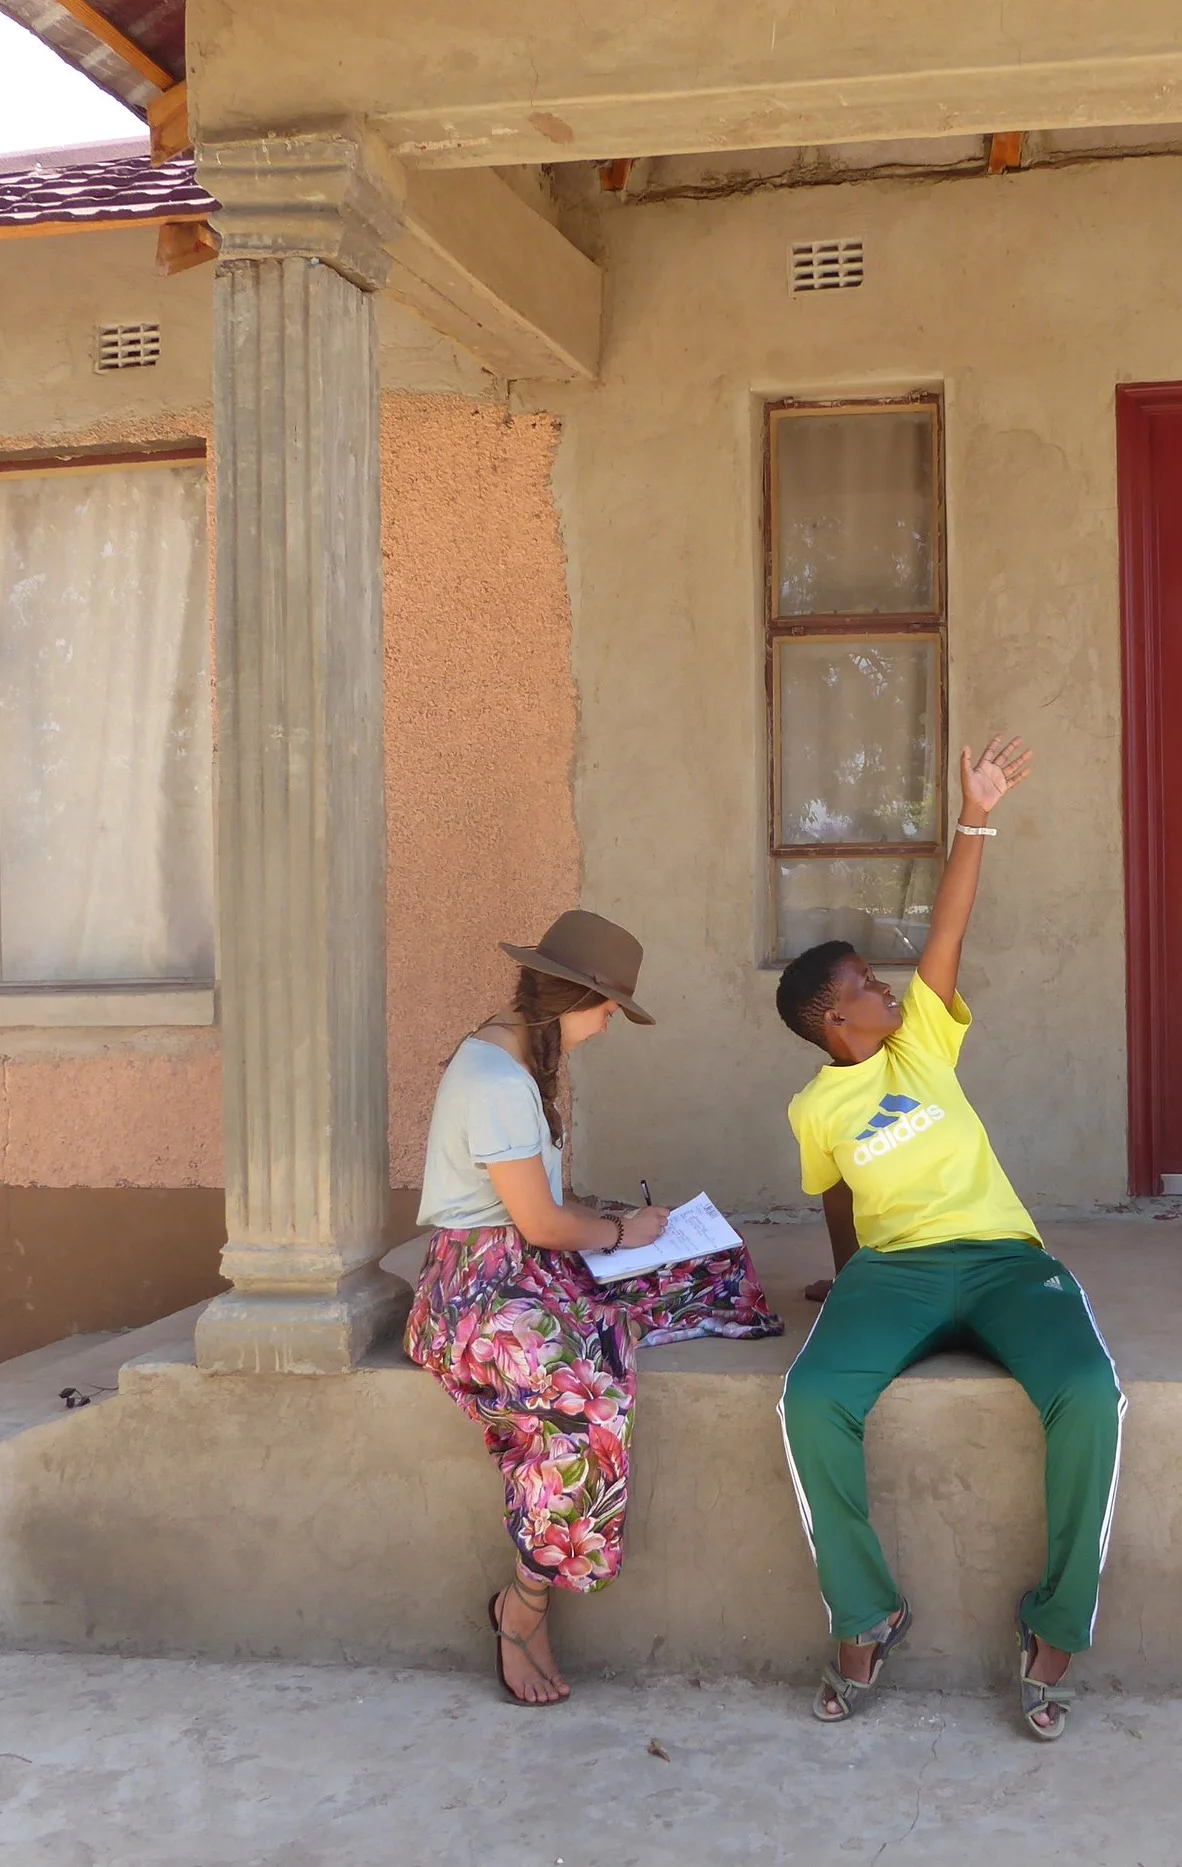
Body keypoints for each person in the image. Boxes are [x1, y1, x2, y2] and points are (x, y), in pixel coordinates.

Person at [773, 735, 1124, 1741]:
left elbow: (949, 928)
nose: (888, 988)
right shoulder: (816, 1108)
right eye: (867, 986)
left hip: (1004, 1261)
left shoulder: (921, 1043)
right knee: (812, 1399)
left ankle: (1056, 1624)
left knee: (1089, 1393)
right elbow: (835, 1199)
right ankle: (865, 1612)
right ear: (836, 1020)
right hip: (896, 1276)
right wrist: (846, 1285)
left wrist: (977, 815)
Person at [407, 909, 780, 1707]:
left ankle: (616, 1295)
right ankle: (523, 1604)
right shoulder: (497, 1081)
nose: (608, 1023)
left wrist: (626, 1229)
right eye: (607, 1007)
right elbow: (540, 1223)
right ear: (573, 997)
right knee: (588, 1396)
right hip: (481, 1287)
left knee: (710, 1267)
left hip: (527, 1259)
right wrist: (617, 1231)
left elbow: (540, 1211)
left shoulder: (518, 1056)